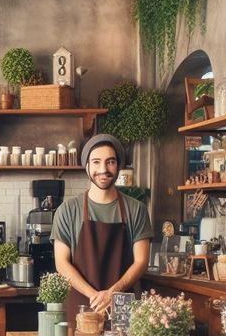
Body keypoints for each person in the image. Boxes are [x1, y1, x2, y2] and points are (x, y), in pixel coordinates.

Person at [51, 134, 153, 323]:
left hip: (122, 307)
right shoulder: (67, 210)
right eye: (96, 162)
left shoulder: (136, 210)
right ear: (87, 166)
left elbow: (141, 261)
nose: (103, 169)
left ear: (118, 165)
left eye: (110, 162)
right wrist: (95, 296)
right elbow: (61, 263)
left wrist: (112, 294)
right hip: (81, 309)